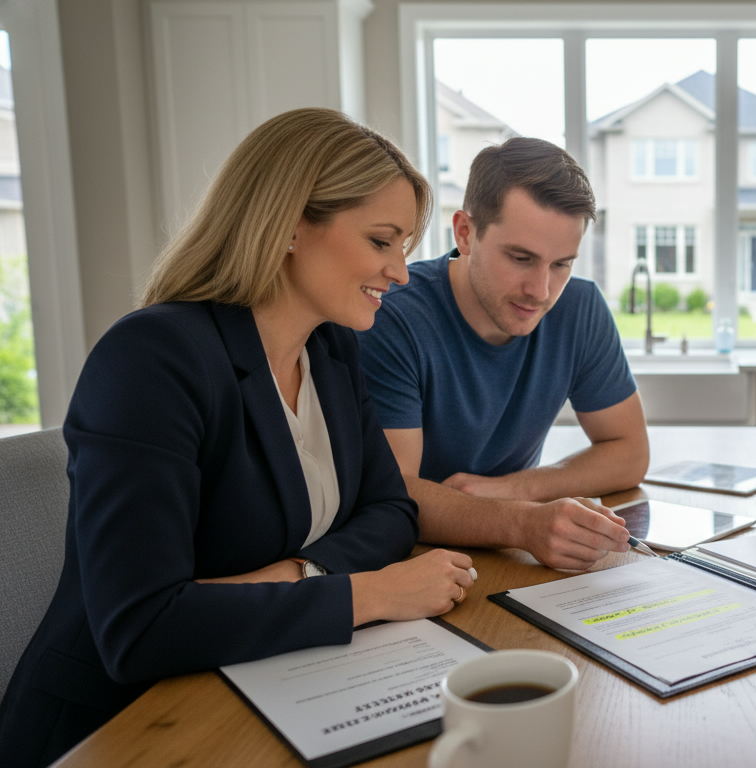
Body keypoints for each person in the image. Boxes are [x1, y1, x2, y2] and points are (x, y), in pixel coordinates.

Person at [0, 108, 476, 768]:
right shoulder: (152, 359)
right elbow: (140, 629)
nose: (400, 272)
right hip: (121, 727)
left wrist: (291, 577)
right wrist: (370, 593)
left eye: (404, 246)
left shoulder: (331, 348)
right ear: (286, 224)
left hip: (261, 680)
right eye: (381, 241)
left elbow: (391, 511)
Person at [356, 137, 649, 571]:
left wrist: (519, 488)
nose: (541, 291)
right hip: (411, 560)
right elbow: (394, 491)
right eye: (521, 257)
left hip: (513, 555)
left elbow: (630, 452)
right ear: (465, 233)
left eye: (561, 264)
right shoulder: (393, 318)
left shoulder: (579, 307)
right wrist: (522, 523)